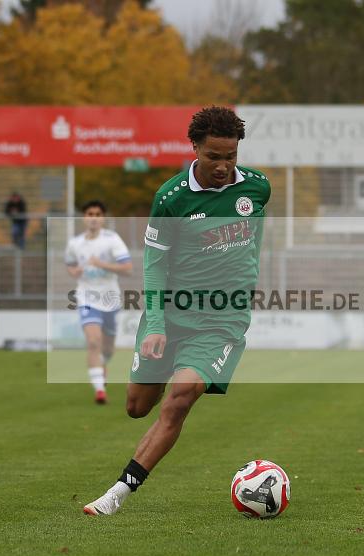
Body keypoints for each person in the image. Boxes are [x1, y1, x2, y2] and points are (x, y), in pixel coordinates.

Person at [83, 106, 271, 516]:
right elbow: (153, 264)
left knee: (180, 399)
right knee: (137, 407)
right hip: (169, 314)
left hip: (222, 322)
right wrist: (155, 324)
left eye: (231, 157)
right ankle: (168, 360)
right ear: (195, 149)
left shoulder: (258, 188)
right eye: (213, 157)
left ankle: (117, 493)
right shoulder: (171, 198)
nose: (223, 166)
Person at [64, 200, 133, 404]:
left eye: (97, 214)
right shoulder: (75, 243)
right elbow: (70, 265)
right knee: (93, 341)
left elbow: (128, 268)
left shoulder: (112, 240)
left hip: (110, 298)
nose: (93, 218)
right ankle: (100, 390)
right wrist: (73, 271)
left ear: (103, 218)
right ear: (84, 218)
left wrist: (101, 263)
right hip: (87, 297)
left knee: (108, 349)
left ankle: (103, 364)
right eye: (89, 214)